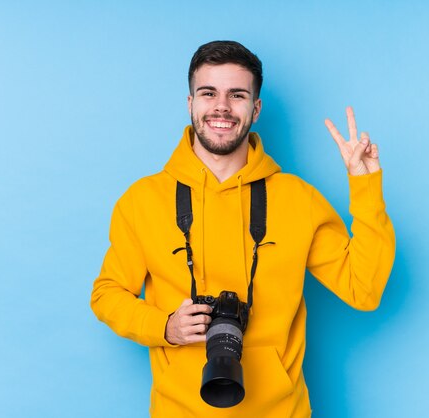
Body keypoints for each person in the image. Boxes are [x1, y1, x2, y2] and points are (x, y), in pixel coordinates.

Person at [90, 40, 395, 418]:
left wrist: (365, 187)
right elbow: (107, 295)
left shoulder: (298, 199)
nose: (221, 106)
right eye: (208, 93)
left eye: (237, 95)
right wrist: (164, 326)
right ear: (190, 104)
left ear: (256, 108)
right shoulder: (142, 200)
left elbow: (363, 290)